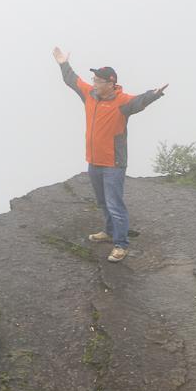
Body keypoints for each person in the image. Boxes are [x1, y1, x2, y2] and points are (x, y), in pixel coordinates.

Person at [52, 47, 168, 262]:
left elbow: (140, 101)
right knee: (102, 201)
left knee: (115, 204)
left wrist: (155, 94)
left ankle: (121, 244)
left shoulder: (122, 102)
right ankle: (108, 231)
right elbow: (72, 80)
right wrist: (62, 63)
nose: (93, 83)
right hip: (94, 161)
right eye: (94, 79)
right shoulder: (90, 95)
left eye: (97, 80)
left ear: (110, 83)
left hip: (113, 163)